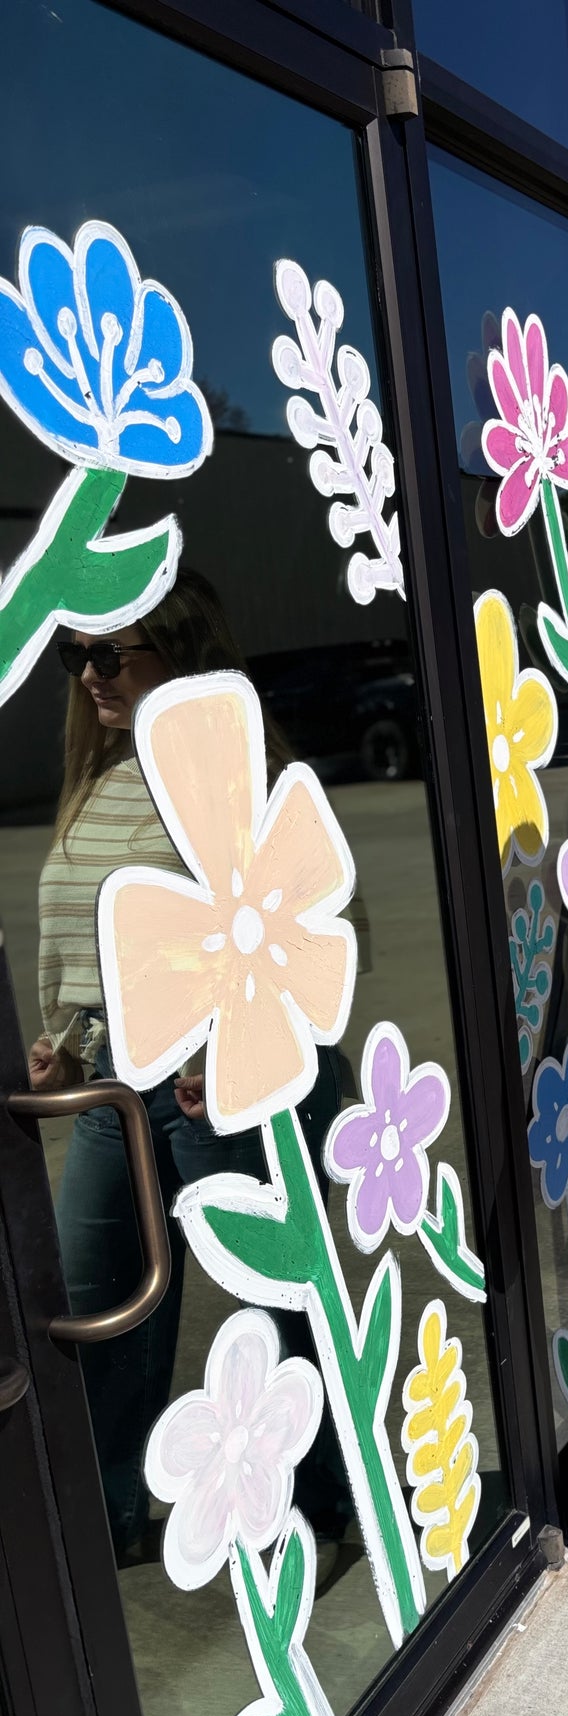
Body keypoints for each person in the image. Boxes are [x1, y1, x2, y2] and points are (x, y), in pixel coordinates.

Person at [30, 570, 353, 1562]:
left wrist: (231, 1042)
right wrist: (65, 1040)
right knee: (95, 1314)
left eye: (107, 654)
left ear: (184, 649)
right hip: (110, 1089)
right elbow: (101, 942)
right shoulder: (98, 776)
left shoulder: (226, 770)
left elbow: (304, 924)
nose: (87, 676)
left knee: (277, 1301)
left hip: (214, 1085)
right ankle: (114, 1519)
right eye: (74, 656)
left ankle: (325, 1506)